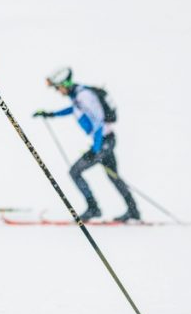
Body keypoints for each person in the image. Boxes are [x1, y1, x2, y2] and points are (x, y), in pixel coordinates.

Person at [33, 67, 140, 222]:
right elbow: (74, 109)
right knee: (113, 176)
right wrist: (51, 114)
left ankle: (94, 209)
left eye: (58, 88)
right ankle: (133, 211)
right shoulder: (77, 95)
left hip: (103, 142)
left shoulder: (84, 96)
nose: (58, 91)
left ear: (66, 84)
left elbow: (99, 122)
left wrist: (95, 150)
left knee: (75, 172)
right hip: (105, 141)